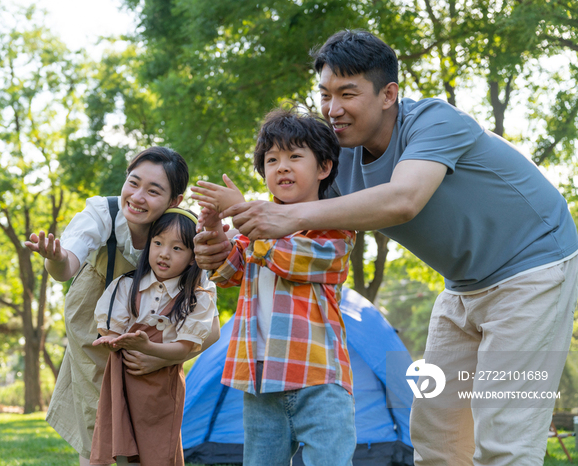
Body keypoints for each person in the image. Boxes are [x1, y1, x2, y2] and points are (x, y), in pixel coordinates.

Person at [195, 30, 578, 466]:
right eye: (325, 95)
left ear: (388, 94)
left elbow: (403, 200)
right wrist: (225, 242)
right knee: (436, 433)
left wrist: (283, 219)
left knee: (505, 438)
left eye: (347, 93)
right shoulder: (338, 157)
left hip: (534, 267)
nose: (332, 109)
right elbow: (291, 206)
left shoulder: (435, 120)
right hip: (463, 285)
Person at [24, 147, 220, 466]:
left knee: (149, 432)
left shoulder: (187, 239)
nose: (137, 196)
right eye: (133, 182)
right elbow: (67, 267)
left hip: (152, 346)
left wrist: (161, 359)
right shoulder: (103, 213)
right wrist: (55, 259)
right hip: (95, 331)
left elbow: (211, 328)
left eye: (153, 191)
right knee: (96, 426)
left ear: (175, 201)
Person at [192, 107, 357, 466]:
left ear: (324, 168)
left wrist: (241, 213)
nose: (282, 166)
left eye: (295, 156)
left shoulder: (336, 228)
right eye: (272, 159)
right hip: (260, 375)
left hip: (319, 376)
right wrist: (213, 232)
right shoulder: (253, 229)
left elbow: (288, 258)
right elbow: (224, 271)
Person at [89, 208, 216, 466]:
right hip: (122, 379)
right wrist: (111, 339)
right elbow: (111, 329)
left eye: (178, 248)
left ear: (193, 258)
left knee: (160, 450)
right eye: (157, 243)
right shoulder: (125, 285)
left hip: (163, 385)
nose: (164, 253)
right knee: (121, 446)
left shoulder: (197, 297)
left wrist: (151, 350)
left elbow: (184, 348)